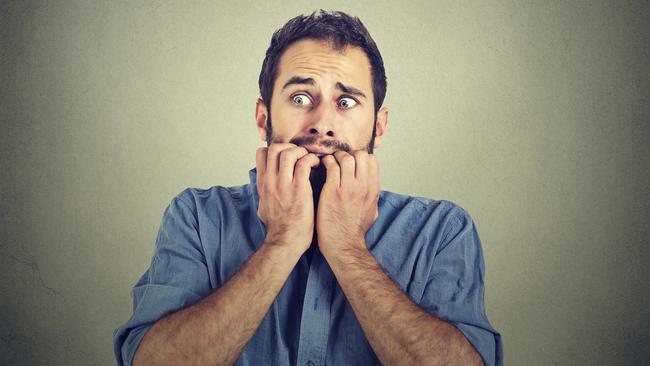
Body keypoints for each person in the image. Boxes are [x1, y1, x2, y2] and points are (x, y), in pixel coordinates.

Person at [113, 10, 502, 366]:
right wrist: (280, 242)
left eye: (346, 102)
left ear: (378, 127)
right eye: (301, 98)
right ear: (263, 116)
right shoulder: (196, 216)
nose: (323, 123)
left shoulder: (442, 229)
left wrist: (347, 247)